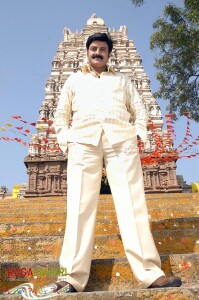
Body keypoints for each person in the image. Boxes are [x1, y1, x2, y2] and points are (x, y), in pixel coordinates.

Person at [40, 32, 182, 296]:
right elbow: (61, 114)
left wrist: (139, 132)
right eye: (93, 48)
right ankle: (70, 276)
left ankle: (150, 272)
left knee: (133, 204)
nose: (97, 53)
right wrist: (64, 138)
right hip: (83, 141)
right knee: (79, 207)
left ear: (109, 53)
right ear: (87, 51)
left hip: (121, 140)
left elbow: (139, 109)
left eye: (102, 49)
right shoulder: (73, 80)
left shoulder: (123, 79)